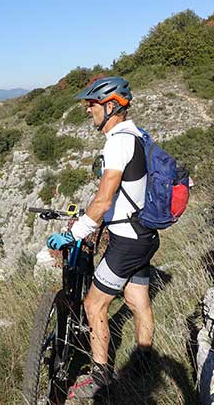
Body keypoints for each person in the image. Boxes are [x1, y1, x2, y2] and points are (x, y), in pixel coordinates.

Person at [46, 76, 160, 399]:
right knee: (138, 300)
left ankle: (100, 378)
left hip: (126, 240)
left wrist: (75, 233)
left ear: (110, 106)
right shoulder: (137, 135)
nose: (88, 111)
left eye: (92, 105)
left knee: (93, 304)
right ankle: (142, 364)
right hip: (144, 234)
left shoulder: (118, 143)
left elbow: (104, 200)